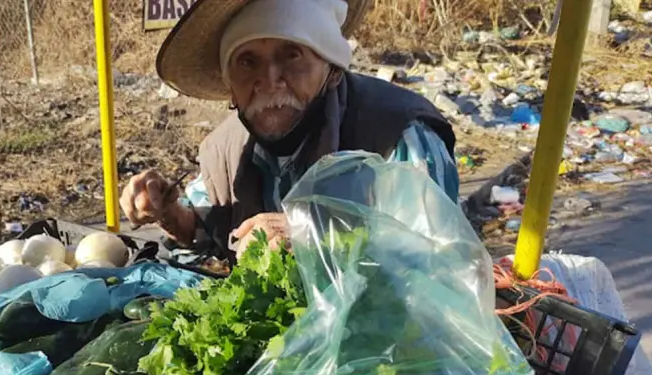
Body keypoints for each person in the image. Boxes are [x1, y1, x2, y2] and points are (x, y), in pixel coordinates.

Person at [121, 0, 458, 260]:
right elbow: (205, 227)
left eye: (292, 55)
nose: (270, 80)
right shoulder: (224, 149)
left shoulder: (395, 134)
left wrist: (315, 235)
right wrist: (167, 212)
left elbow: (439, 255)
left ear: (333, 70)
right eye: (247, 61)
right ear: (230, 87)